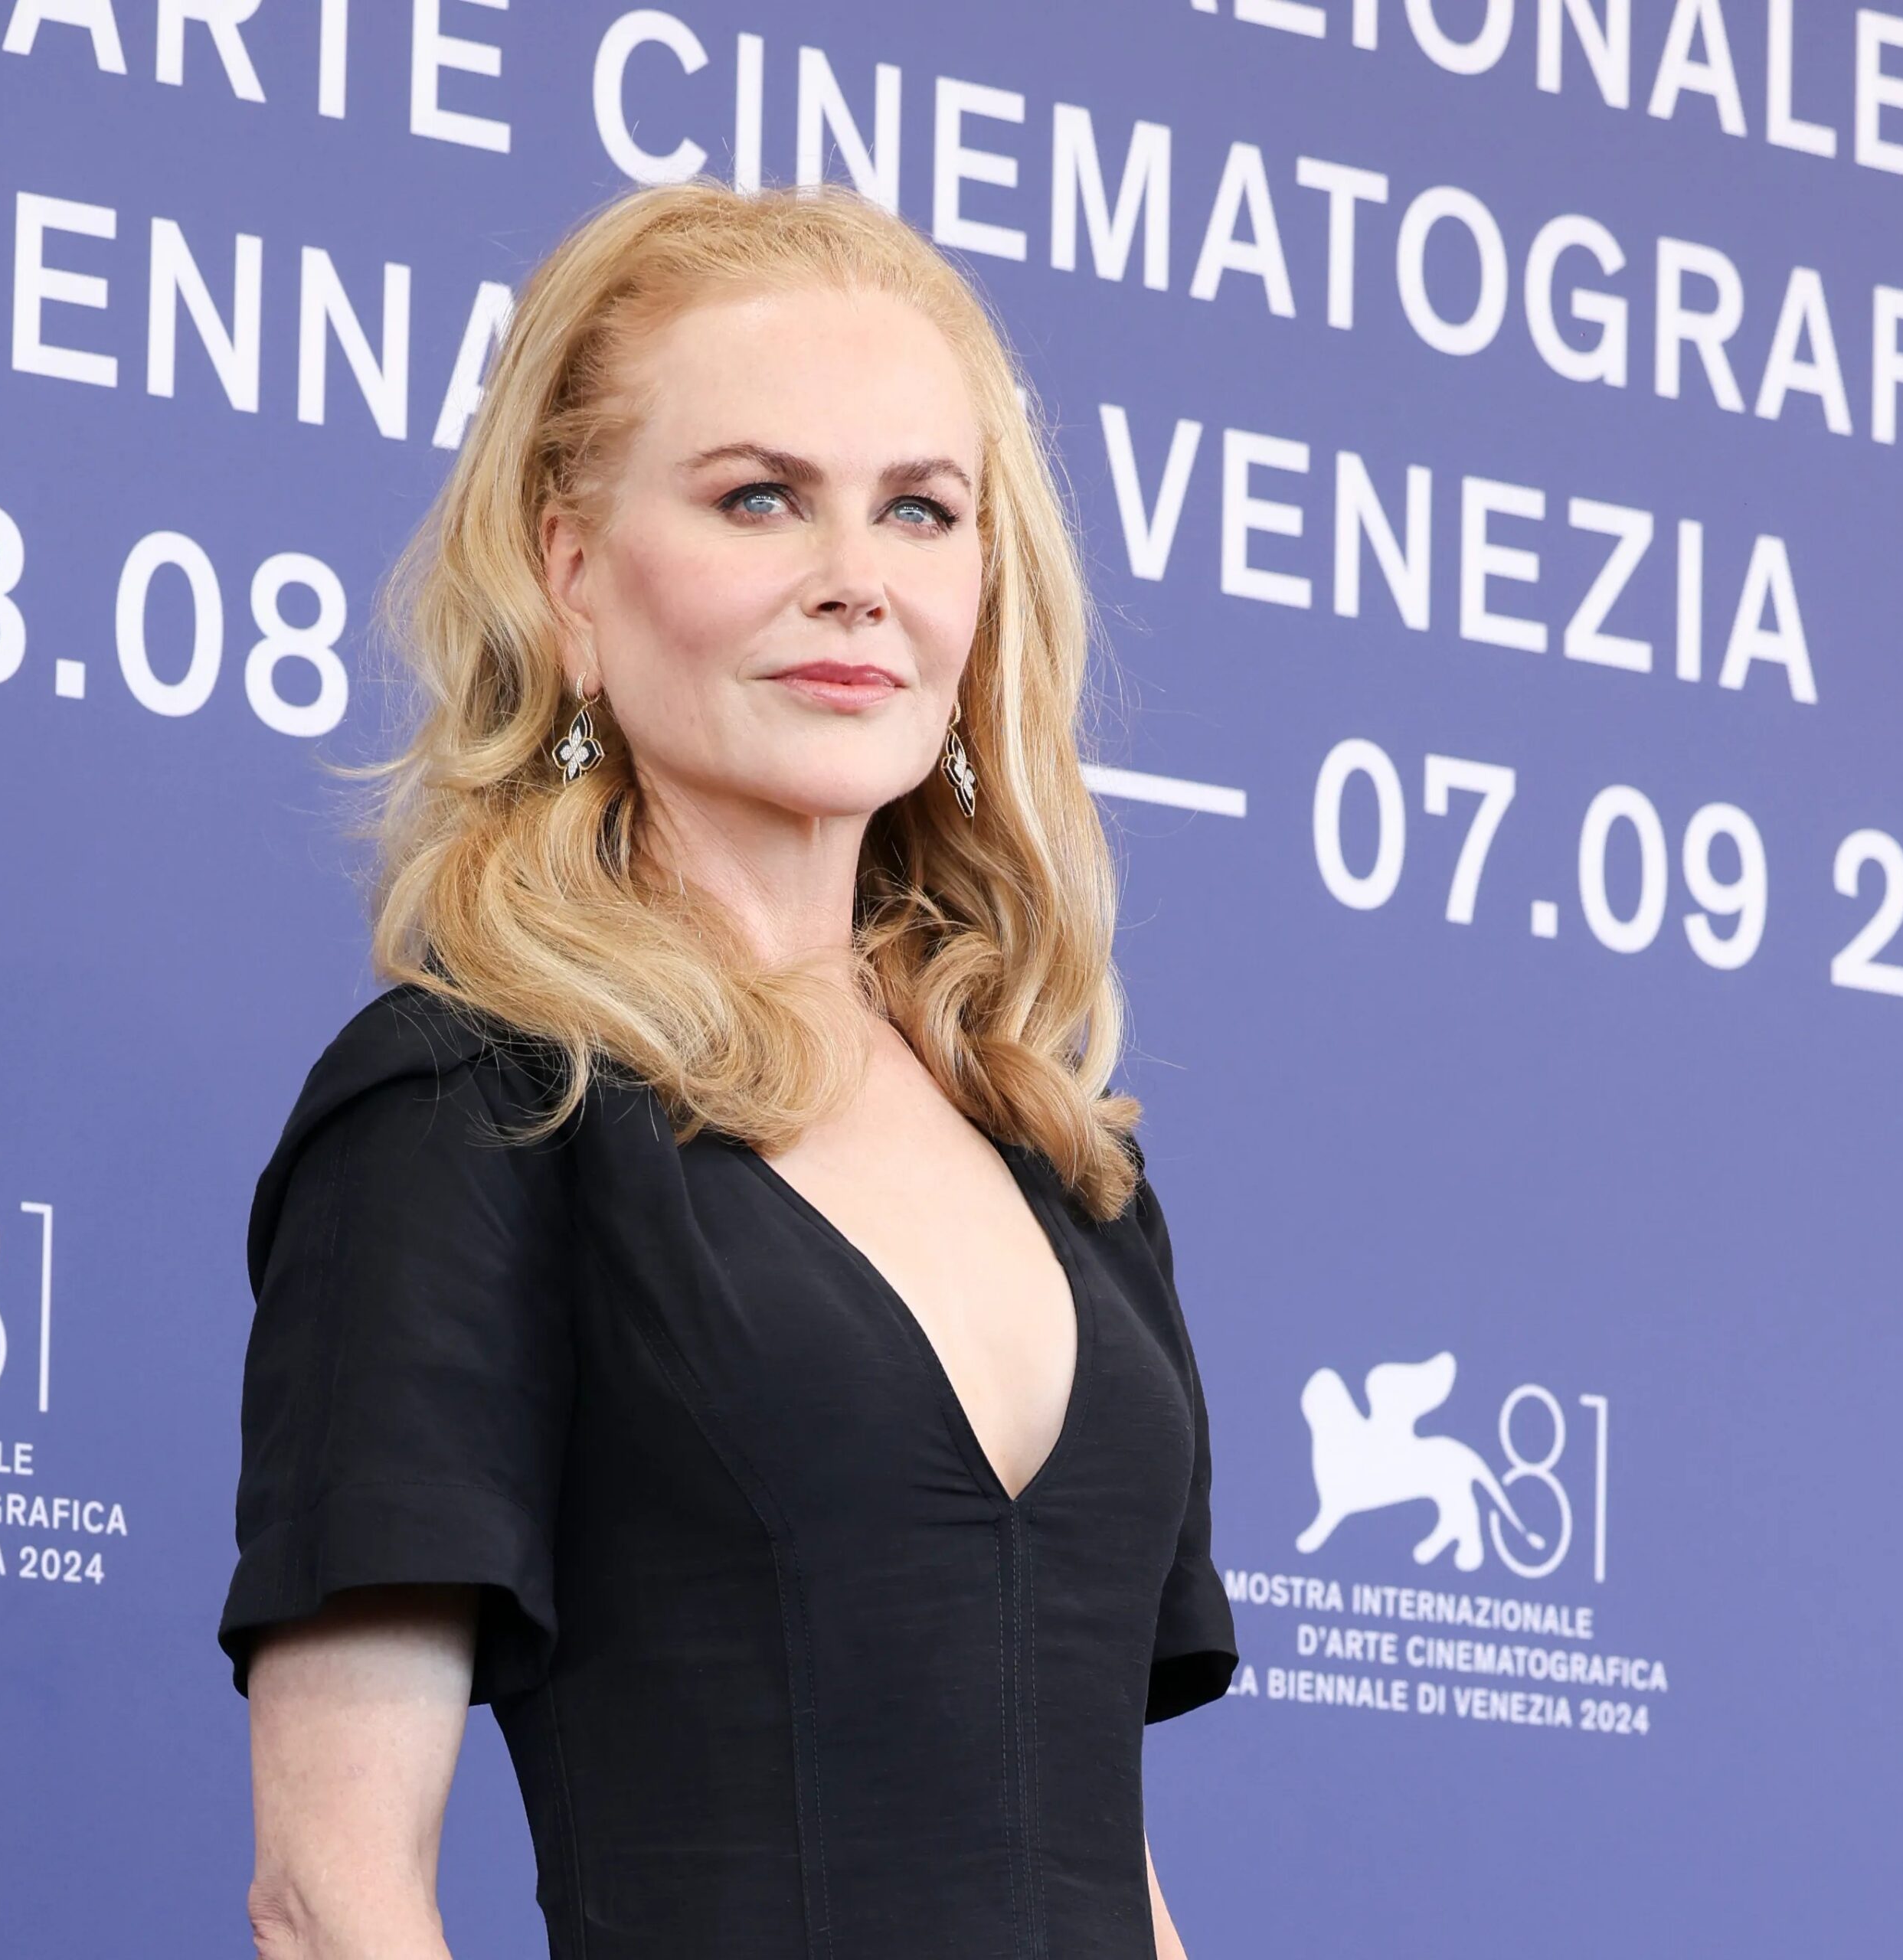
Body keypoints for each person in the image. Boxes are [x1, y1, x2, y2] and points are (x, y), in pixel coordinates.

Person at [217, 175, 1238, 1960]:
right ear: (572, 571)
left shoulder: (1067, 1160)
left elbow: (1104, 1864)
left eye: (919, 509)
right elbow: (331, 1894)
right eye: (759, 496)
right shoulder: (474, 1106)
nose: (855, 579)